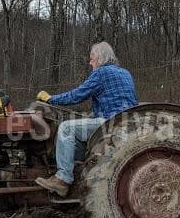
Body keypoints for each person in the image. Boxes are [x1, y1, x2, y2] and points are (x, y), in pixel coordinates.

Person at [35, 42, 138, 196]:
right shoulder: (125, 73)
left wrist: (50, 99)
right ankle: (79, 171)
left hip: (111, 123)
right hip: (128, 122)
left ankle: (62, 179)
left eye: (92, 58)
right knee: (76, 137)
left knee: (66, 128)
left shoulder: (101, 73)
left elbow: (77, 95)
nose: (90, 63)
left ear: (101, 58)